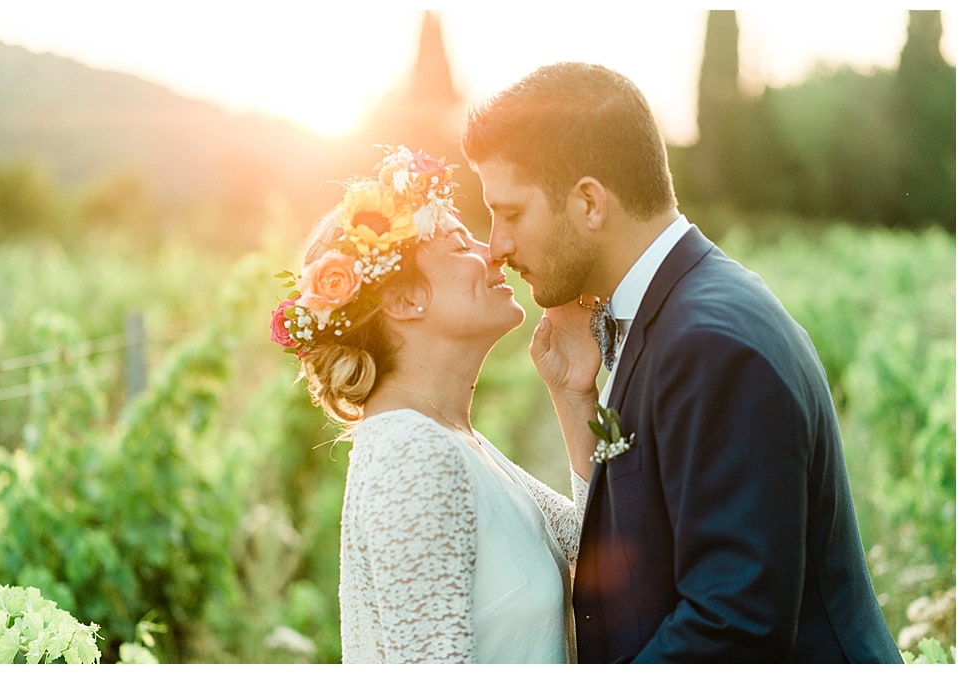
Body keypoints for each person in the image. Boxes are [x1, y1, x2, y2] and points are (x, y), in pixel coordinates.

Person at [460, 61, 903, 663]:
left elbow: (732, 627)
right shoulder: (673, 313)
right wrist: (577, 401)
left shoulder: (712, 343)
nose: (499, 245)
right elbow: (651, 552)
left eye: (510, 213)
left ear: (590, 203)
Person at [268, 145, 599, 664]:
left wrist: (573, 393)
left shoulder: (453, 440)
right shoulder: (411, 454)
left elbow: (594, 545)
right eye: (458, 246)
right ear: (402, 301)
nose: (494, 251)